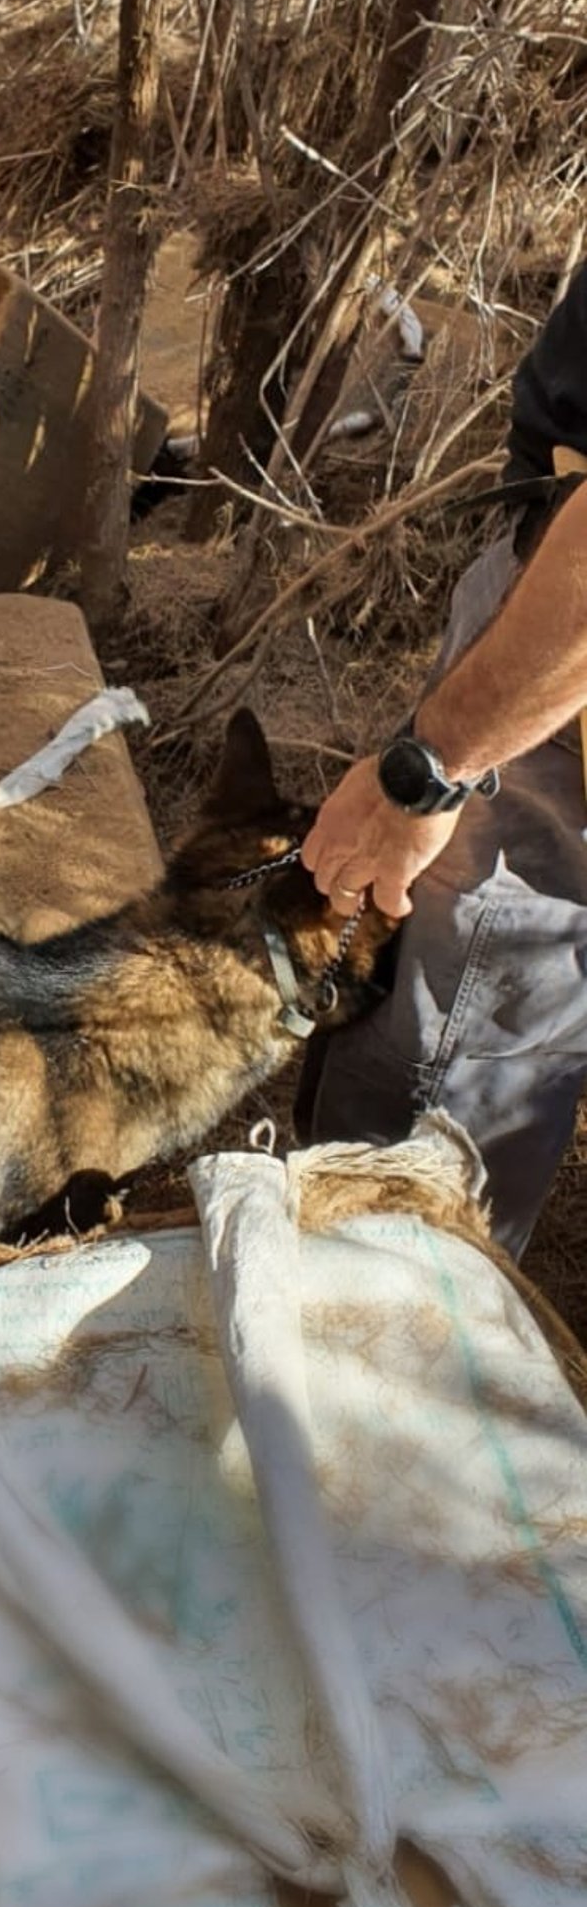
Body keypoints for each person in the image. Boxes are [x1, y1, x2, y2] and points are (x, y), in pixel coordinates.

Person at [298, 258, 587, 1259]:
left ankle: (369, 1333)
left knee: (455, 1045)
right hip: (549, 611)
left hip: (558, 656)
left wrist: (430, 769)